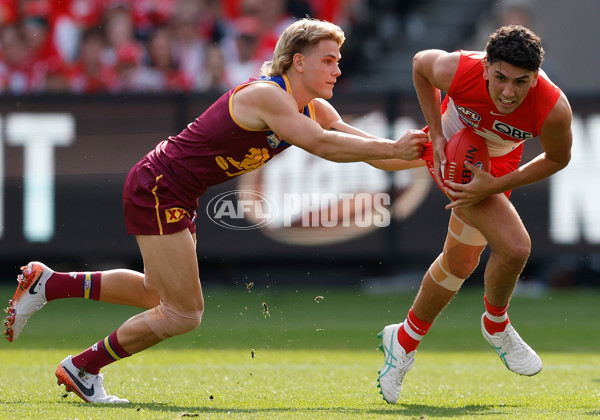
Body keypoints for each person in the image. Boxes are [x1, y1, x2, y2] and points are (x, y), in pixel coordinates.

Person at [3, 18, 428, 404]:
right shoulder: (268, 96)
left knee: (156, 292)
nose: (338, 69)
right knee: (184, 313)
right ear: (298, 62)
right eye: (329, 60)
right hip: (160, 186)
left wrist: (433, 152)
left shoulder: (314, 108)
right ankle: (83, 367)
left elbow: (375, 157)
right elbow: (323, 145)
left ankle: (49, 284)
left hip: (174, 191)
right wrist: (393, 146)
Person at [372, 25, 572, 404]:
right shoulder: (459, 69)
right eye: (500, 78)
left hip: (498, 165)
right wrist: (435, 133)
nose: (509, 91)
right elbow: (420, 65)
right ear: (485, 68)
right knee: (514, 248)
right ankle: (496, 324)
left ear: (535, 77)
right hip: (455, 155)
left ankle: (403, 339)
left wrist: (496, 184)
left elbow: (559, 158)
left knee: (461, 260)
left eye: (521, 81)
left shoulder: (553, 106)